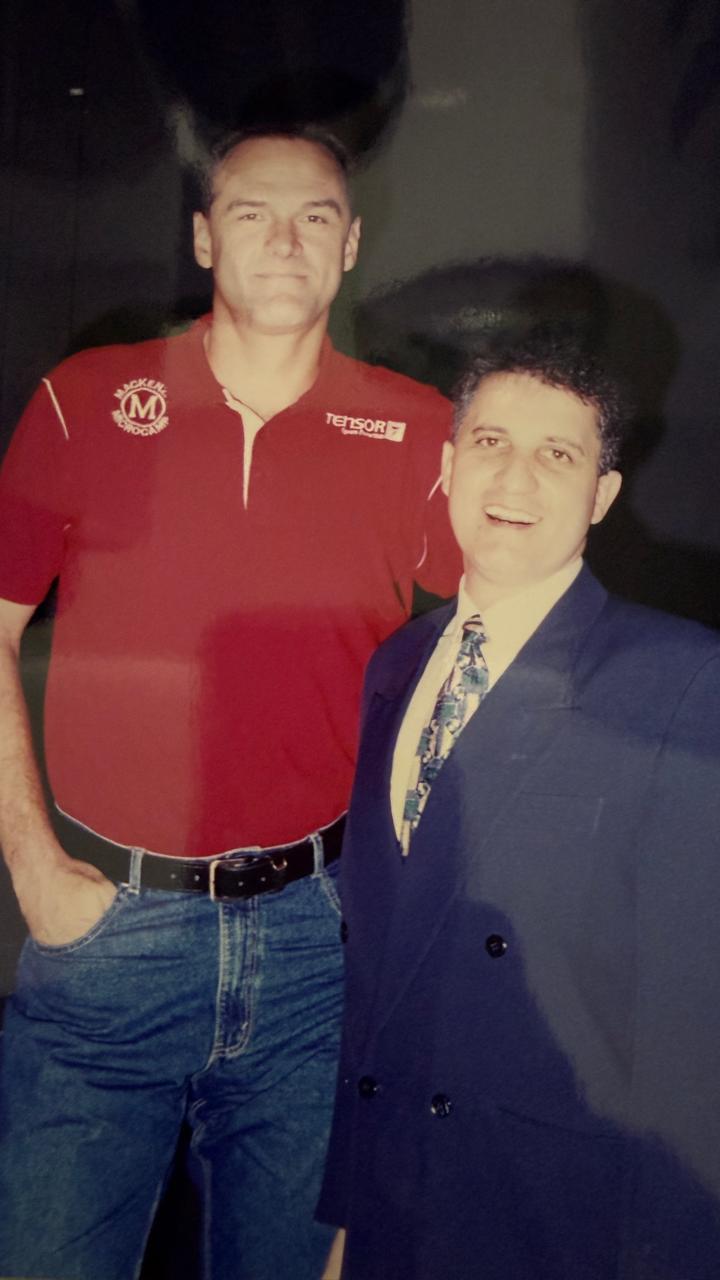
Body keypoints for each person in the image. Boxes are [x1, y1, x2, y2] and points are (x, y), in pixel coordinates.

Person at [0, 125, 459, 1280]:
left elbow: (493, 638)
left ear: (351, 243)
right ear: (205, 236)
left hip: (317, 942)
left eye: (315, 216)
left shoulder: (417, 429)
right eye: (253, 212)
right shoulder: (88, 401)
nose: (286, 239)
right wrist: (36, 871)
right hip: (106, 928)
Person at [318, 329, 720, 1279]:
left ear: (602, 495)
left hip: (553, 1219)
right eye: (492, 442)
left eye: (558, 455)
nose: (515, 479)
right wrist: (346, 1223)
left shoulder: (678, 679)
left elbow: (695, 1031)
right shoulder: (397, 665)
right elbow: (377, 983)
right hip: (392, 1208)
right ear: (448, 465)